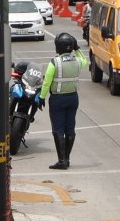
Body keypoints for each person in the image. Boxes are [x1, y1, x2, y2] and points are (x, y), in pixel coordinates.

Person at [38, 32, 89, 170]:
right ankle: (67, 158)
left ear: (58, 48)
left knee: (58, 129)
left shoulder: (55, 63)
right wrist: (77, 48)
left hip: (57, 100)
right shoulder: (78, 61)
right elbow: (85, 60)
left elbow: (46, 82)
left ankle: (62, 161)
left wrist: (42, 97)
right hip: (73, 98)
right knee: (70, 128)